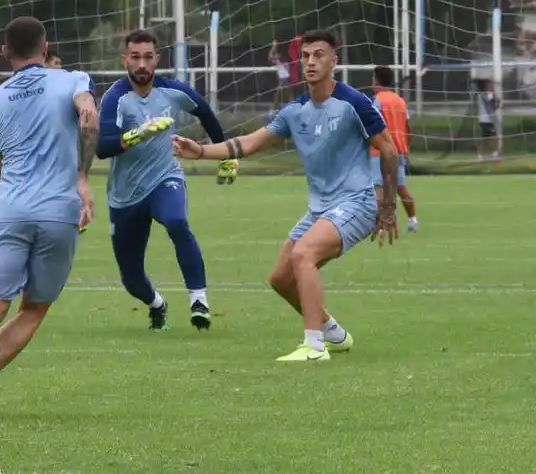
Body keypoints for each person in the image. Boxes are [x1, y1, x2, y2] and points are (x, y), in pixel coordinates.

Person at [172, 29, 399, 361]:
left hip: (357, 203)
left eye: (318, 55)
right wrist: (201, 151)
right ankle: (333, 332)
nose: (310, 62)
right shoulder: (295, 110)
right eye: (305, 56)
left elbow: (389, 150)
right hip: (320, 209)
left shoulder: (354, 103)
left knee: (303, 254)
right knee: (280, 278)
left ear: (334, 61)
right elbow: (249, 143)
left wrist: (388, 207)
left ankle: (314, 346)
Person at [0, 16, 97, 416]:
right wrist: (81, 177)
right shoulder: (71, 80)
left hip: (11, 207)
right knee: (34, 309)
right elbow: (89, 118)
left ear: (5, 52)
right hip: (59, 210)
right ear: (45, 49)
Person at [96, 29, 235, 332]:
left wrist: (225, 156)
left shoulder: (174, 91)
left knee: (176, 220)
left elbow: (208, 116)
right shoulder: (116, 99)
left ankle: (199, 300)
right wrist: (136, 134)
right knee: (132, 280)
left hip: (164, 179)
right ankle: (157, 304)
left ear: (157, 59)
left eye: (148, 57)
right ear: (125, 60)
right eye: (135, 57)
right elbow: (102, 147)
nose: (142, 64)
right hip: (125, 196)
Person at [370, 66, 419, 232]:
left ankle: (382, 225)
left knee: (378, 188)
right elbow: (408, 126)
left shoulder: (376, 101)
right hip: (398, 150)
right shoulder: (400, 101)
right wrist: (406, 147)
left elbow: (371, 126)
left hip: (380, 151)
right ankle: (413, 221)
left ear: (377, 80)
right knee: (400, 187)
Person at [473, 78, 501, 162]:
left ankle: (486, 154)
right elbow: (490, 103)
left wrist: (497, 103)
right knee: (492, 136)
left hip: (488, 119)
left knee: (487, 137)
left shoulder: (485, 95)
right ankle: (489, 154)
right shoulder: (484, 95)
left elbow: (493, 107)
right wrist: (495, 98)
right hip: (485, 120)